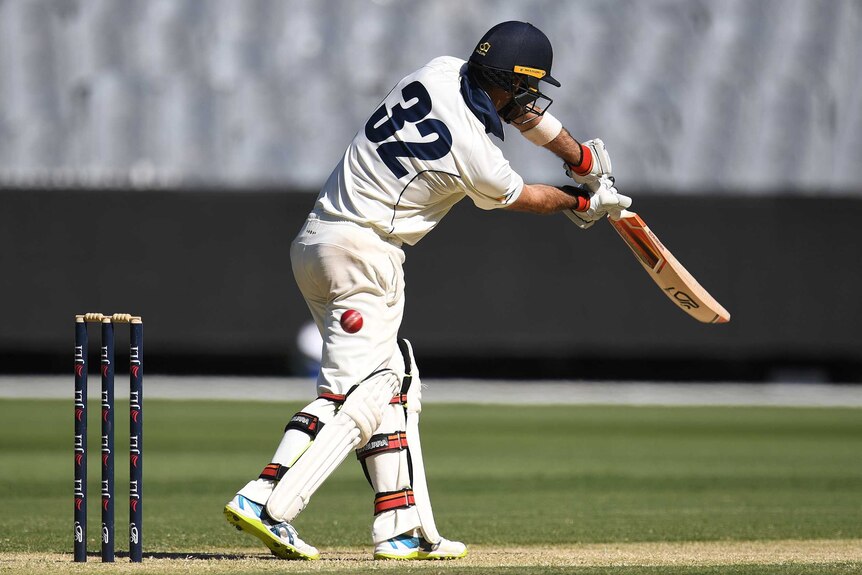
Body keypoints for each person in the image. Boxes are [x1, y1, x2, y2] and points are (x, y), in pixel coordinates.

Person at [223, 20, 631, 561]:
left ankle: (399, 526)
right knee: (359, 392)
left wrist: (581, 160)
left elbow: (523, 114)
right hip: (367, 256)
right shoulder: (477, 155)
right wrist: (582, 202)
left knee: (397, 383)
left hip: (318, 241)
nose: (532, 100)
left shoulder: (440, 71)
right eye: (526, 86)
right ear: (508, 79)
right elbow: (518, 196)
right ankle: (266, 497)